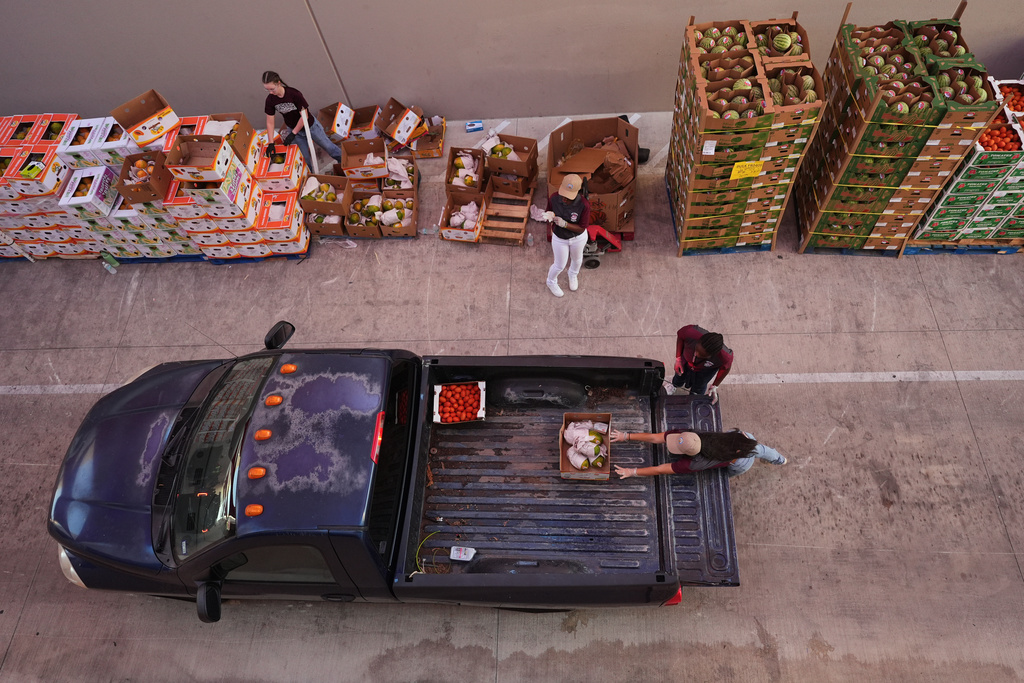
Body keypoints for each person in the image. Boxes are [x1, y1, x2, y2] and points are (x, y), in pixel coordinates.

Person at [608, 428, 786, 479]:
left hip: (738, 460)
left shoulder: (694, 464)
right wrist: (626, 436)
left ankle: (779, 460)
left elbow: (661, 469)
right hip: (742, 438)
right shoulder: (688, 436)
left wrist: (633, 472)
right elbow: (655, 438)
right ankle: (779, 458)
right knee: (759, 448)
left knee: (730, 472)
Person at [262, 70, 341, 169]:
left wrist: (293, 134)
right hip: (293, 129)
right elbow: (270, 122)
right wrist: (271, 143)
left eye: (272, 89)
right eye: (267, 90)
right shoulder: (270, 100)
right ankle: (311, 177)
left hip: (310, 126)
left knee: (328, 147)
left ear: (278, 83)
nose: (270, 92)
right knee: (304, 158)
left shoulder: (294, 94)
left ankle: (343, 162)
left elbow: (305, 116)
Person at [545, 173, 591, 298]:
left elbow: (582, 228)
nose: (564, 199)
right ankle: (551, 281)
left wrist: (565, 224)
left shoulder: (584, 205)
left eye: (568, 197)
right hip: (560, 238)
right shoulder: (554, 198)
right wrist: (549, 216)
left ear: (577, 193)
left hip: (578, 238)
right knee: (559, 264)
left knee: (577, 259)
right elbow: (549, 210)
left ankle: (573, 274)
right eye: (563, 195)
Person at [670, 325, 733, 402]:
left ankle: (694, 399)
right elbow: (680, 337)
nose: (697, 354)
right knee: (679, 375)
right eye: (696, 350)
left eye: (702, 355)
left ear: (713, 355)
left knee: (699, 387)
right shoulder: (690, 332)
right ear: (699, 341)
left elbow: (725, 369)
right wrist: (678, 358)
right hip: (686, 361)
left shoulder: (725, 357)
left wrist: (715, 386)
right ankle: (674, 385)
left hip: (705, 371)